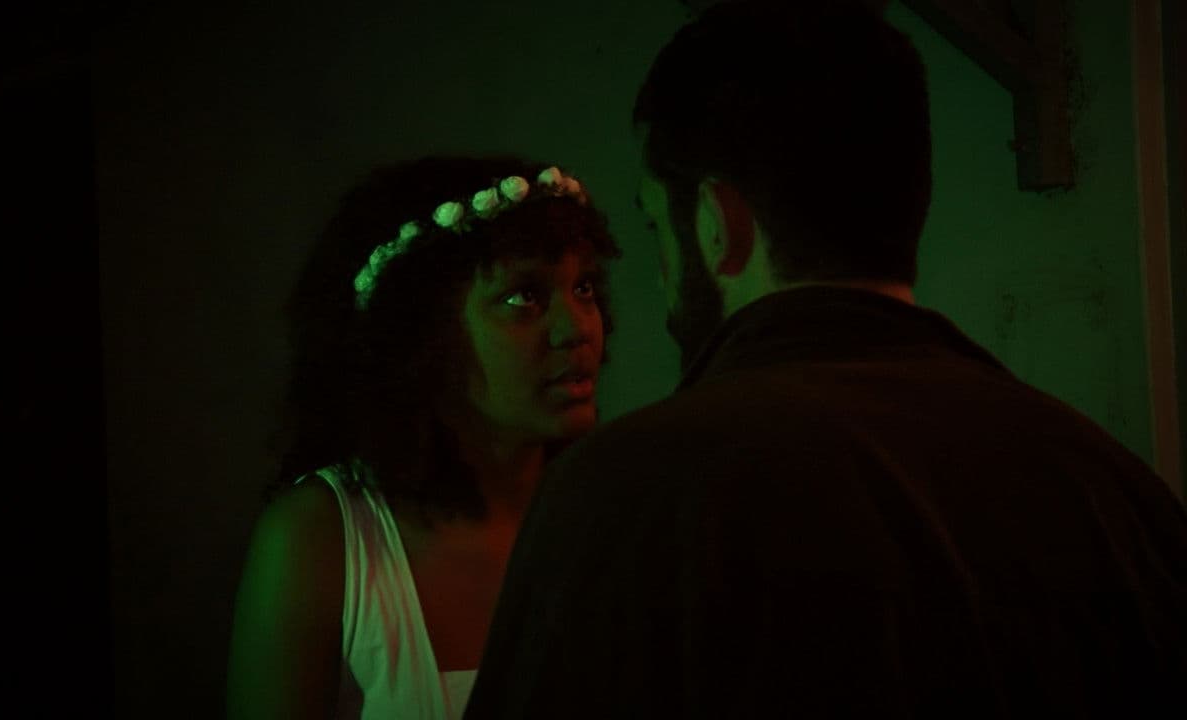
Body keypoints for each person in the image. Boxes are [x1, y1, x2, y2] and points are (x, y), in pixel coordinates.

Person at [465, 1, 1187, 717]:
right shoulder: (1113, 489)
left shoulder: (623, 498)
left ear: (716, 225)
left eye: (657, 225)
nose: (654, 280)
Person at [226, 155, 620, 719]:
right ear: (419, 335)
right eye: (523, 297)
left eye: (584, 287)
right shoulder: (321, 539)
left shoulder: (610, 516)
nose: (577, 328)